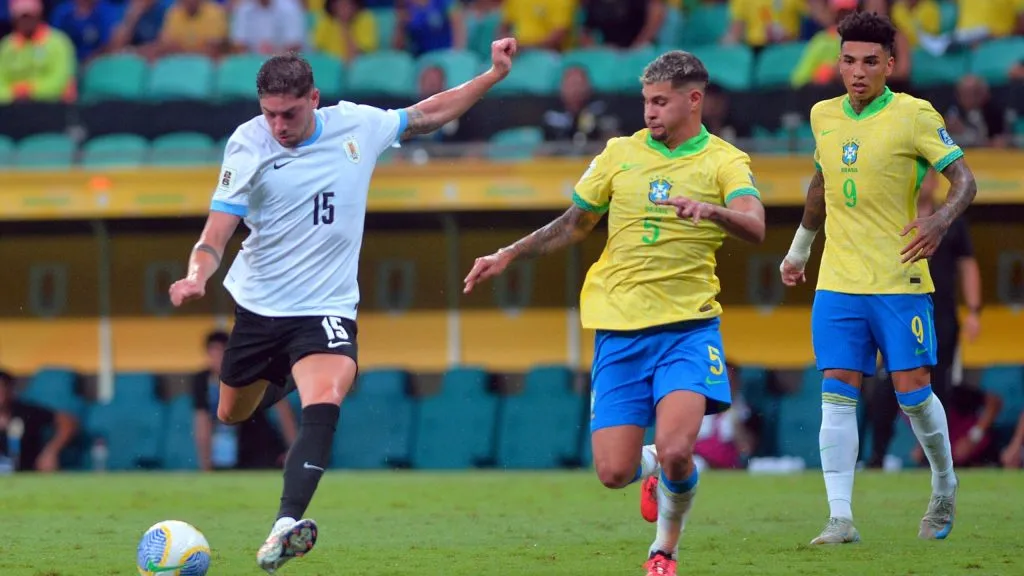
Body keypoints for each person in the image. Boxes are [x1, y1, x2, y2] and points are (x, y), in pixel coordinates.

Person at [168, 39, 517, 573]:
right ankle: (284, 373)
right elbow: (216, 232)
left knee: (327, 394)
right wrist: (196, 275)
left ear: (315, 98)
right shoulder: (248, 143)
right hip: (260, 306)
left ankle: (285, 525)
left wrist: (491, 75)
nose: (278, 125)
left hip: (327, 306)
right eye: (269, 114)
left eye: (289, 113)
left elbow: (428, 114)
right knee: (230, 412)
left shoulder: (356, 125)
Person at [464, 50, 766, 576]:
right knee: (612, 472)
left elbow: (755, 224)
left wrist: (712, 210)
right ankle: (648, 469)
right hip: (620, 331)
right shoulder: (618, 154)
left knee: (678, 450)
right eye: (645, 101)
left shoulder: (724, 161)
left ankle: (664, 549)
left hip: (687, 330)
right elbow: (574, 224)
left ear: (693, 100)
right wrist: (508, 253)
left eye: (660, 101)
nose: (649, 112)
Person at [779, 11, 978, 545]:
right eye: (848, 61)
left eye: (870, 61)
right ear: (838, 63)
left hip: (899, 280)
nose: (858, 71)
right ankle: (840, 518)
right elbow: (820, 188)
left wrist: (939, 219)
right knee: (838, 394)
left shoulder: (915, 115)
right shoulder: (823, 115)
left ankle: (943, 481)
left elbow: (964, 179)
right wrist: (800, 251)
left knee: (913, 393)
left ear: (890, 64)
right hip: (838, 281)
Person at [867, 168, 982, 468]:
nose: (924, 182)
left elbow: (967, 265)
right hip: (896, 313)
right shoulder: (892, 218)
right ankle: (876, 455)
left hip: (940, 316)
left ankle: (934, 459)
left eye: (930, 177)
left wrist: (974, 310)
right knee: (885, 387)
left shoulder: (951, 222)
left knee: (938, 387)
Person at [192, 330, 298, 471]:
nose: (218, 359)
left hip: (258, 445)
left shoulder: (249, 371)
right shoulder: (203, 380)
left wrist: (294, 449)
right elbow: (202, 421)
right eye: (213, 353)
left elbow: (282, 410)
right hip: (224, 450)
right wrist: (205, 463)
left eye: (221, 353)